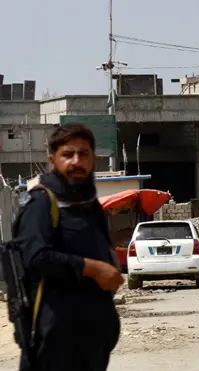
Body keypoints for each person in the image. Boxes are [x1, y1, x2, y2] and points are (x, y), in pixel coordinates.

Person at [13, 124, 124, 371]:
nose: (76, 161)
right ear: (53, 160)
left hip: (90, 343)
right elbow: (35, 257)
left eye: (83, 154)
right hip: (55, 342)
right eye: (68, 154)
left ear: (93, 159)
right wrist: (92, 269)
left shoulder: (89, 205)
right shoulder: (42, 203)